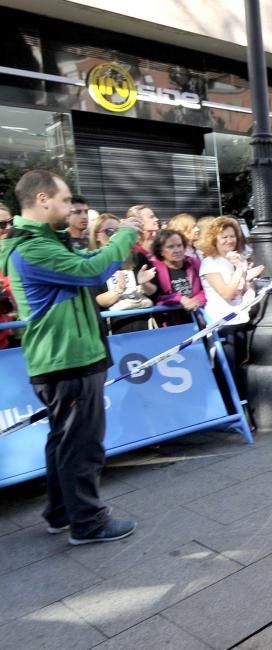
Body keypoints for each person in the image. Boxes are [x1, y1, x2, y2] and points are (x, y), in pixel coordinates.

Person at [0, 169, 143, 544]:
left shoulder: (42, 241)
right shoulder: (32, 247)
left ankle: (62, 513)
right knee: (82, 444)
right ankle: (88, 522)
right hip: (67, 360)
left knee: (64, 442)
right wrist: (127, 231)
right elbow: (92, 269)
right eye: (65, 201)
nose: (72, 208)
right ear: (43, 199)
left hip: (67, 358)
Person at [200, 216, 265, 397]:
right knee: (227, 370)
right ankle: (230, 409)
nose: (230, 241)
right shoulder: (209, 263)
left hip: (240, 318)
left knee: (240, 365)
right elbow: (227, 293)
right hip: (222, 322)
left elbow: (241, 290)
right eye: (224, 237)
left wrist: (245, 273)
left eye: (232, 236)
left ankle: (242, 409)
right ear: (215, 240)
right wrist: (239, 270)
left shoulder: (235, 260)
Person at [149, 229, 206, 326]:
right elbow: (155, 297)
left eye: (179, 245)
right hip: (167, 322)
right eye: (170, 247)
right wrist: (180, 299)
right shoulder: (154, 268)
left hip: (195, 318)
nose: (177, 250)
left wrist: (197, 300)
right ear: (161, 251)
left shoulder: (193, 263)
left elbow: (205, 289)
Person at [0, 202, 15, 349]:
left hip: (12, 337)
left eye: (11, 223)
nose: (8, 229)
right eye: (2, 225)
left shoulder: (17, 253)